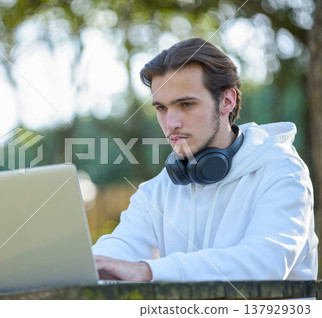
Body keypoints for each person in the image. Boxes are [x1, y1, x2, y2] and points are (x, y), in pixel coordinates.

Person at [92, 38, 318, 282]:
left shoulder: (283, 171)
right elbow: (115, 253)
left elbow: (265, 262)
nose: (171, 124)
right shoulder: (159, 190)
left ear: (227, 101)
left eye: (186, 104)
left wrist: (148, 270)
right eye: (161, 108)